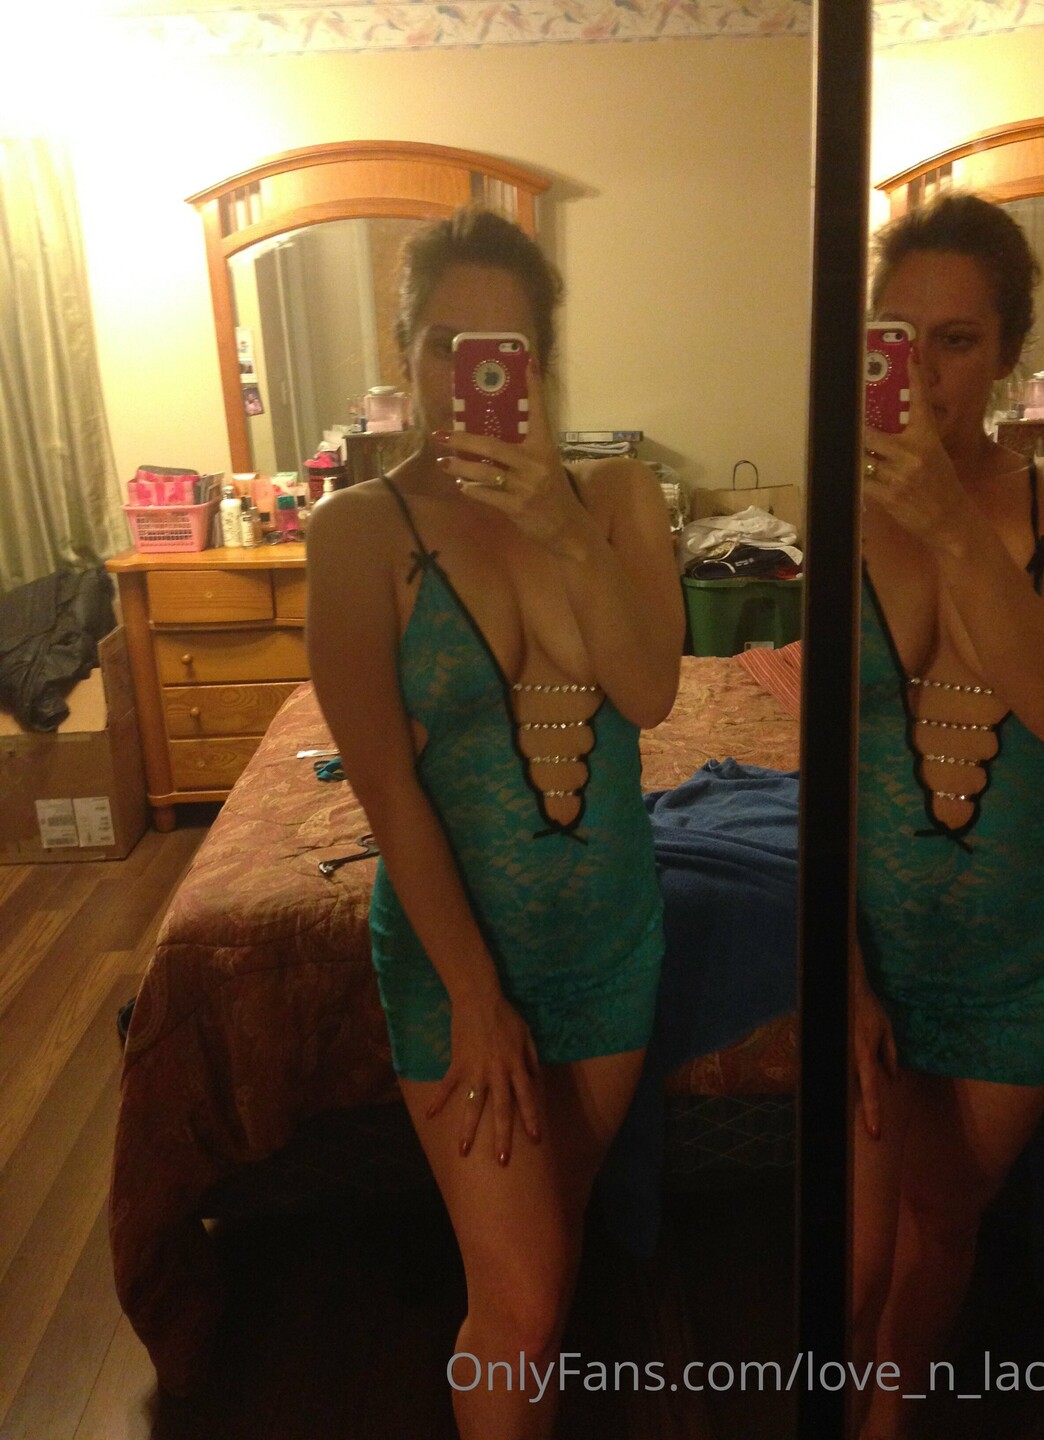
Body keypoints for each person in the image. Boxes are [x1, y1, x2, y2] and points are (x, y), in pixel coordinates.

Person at [305, 206, 684, 1440]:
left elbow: (650, 692)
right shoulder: (358, 532)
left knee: (546, 1258)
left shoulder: (616, 497)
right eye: (441, 345)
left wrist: (561, 530)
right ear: (407, 352)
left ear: (542, 364)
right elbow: (386, 786)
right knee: (518, 1306)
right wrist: (475, 995)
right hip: (457, 967)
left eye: (501, 350)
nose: (465, 377)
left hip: (612, 945)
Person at [852, 191, 1044, 1439]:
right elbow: (824, 761)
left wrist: (947, 516)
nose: (927, 371)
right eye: (899, 337)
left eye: (957, 340)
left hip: (1018, 957)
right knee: (851, 1255)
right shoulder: (839, 505)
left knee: (942, 1229)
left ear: (1005, 352)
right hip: (874, 952)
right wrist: (837, 967)